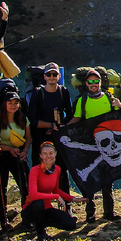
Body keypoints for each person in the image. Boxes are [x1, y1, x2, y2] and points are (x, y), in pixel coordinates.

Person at [66, 69, 120, 221]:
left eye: (96, 81)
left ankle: (109, 212)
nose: (93, 84)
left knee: (107, 179)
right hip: (89, 144)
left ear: (100, 83)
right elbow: (76, 119)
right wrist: (63, 130)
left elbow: (119, 117)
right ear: (86, 84)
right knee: (90, 178)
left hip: (107, 145)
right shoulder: (82, 101)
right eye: (90, 82)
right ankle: (90, 213)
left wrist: (120, 105)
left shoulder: (109, 98)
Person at [0, 91, 31, 230]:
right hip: (1, 156)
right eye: (10, 103)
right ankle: (3, 220)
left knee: (25, 186)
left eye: (16, 103)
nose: (13, 105)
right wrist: (8, 148)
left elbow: (28, 137)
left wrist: (25, 151)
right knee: (0, 188)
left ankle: (27, 217)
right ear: (4, 104)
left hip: (18, 154)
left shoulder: (23, 119)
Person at [21, 142, 78, 241]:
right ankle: (41, 234)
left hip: (47, 209)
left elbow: (56, 190)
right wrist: (55, 197)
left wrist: (73, 199)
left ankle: (42, 223)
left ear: (55, 154)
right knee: (39, 203)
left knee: (70, 224)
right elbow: (33, 195)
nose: (48, 156)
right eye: (45, 154)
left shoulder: (57, 170)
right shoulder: (35, 170)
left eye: (51, 153)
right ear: (40, 156)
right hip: (31, 210)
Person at [28, 61, 72, 192]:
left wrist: (60, 125)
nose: (52, 77)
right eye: (49, 74)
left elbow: (70, 114)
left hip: (57, 136)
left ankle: (66, 204)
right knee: (39, 168)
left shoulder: (63, 92)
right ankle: (40, 201)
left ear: (59, 76)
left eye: (54, 74)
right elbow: (32, 119)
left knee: (62, 169)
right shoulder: (38, 93)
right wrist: (51, 125)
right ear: (44, 77)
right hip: (41, 137)